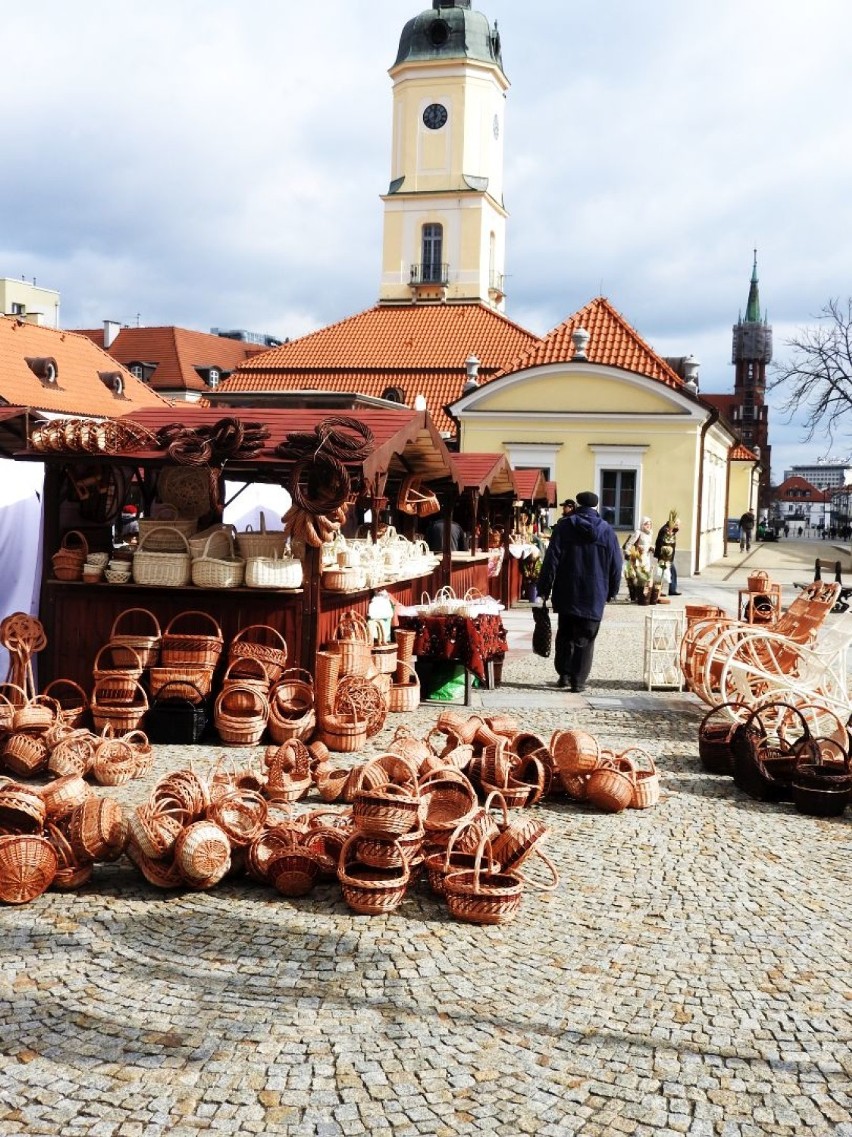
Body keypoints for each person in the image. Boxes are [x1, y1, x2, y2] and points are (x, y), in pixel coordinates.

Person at [536, 490, 622, 693]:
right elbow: (616, 564)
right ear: (596, 507)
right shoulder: (607, 531)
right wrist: (612, 590)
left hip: (567, 589)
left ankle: (564, 675)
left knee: (565, 633)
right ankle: (579, 681)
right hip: (595, 592)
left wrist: (543, 589)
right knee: (585, 637)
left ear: (577, 505)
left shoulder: (564, 526)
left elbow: (551, 560)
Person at [654, 512, 681, 595]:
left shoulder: (670, 530)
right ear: (673, 523)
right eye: (677, 525)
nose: (678, 526)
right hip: (664, 556)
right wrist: (663, 554)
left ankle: (665, 590)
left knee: (666, 573)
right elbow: (661, 543)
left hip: (668, 556)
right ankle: (658, 590)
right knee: (662, 573)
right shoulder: (665, 530)